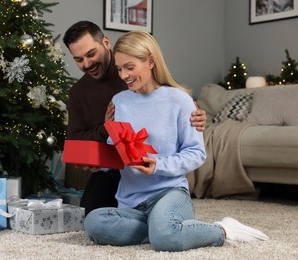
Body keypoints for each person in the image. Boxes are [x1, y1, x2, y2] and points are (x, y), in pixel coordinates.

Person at [83, 30, 269, 252]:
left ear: (150, 61)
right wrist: (99, 163)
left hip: (168, 193)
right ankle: (162, 230)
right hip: (130, 203)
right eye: (120, 69)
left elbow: (196, 153)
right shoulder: (119, 102)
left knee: (166, 237)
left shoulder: (180, 100)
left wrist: (158, 165)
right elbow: (118, 154)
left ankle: (222, 229)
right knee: (94, 222)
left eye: (130, 67)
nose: (124, 76)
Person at [63, 21, 207, 216]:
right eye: (79, 59)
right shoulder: (83, 93)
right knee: (93, 219)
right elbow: (77, 140)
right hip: (115, 167)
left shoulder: (136, 69)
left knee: (158, 222)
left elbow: (169, 99)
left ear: (106, 42)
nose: (87, 64)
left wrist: (195, 112)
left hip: (157, 173)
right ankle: (146, 223)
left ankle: (158, 221)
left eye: (91, 54)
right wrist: (104, 133)